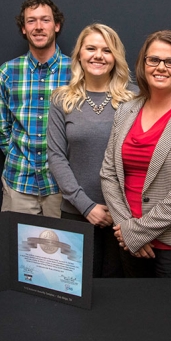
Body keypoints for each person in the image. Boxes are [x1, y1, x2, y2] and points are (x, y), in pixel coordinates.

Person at [100, 30, 171, 278]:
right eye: (153, 60)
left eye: (170, 61)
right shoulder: (125, 111)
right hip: (128, 240)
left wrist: (141, 231)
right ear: (143, 64)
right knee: (135, 314)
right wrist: (127, 229)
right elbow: (109, 174)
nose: (160, 67)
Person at [48, 23, 137, 277]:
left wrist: (120, 210)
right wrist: (86, 207)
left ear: (116, 57)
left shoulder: (135, 98)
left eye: (106, 50)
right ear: (79, 55)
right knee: (76, 289)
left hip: (125, 216)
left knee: (118, 293)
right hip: (76, 212)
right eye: (91, 48)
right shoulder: (61, 99)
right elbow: (56, 157)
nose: (98, 55)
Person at [0, 0, 70, 218]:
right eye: (31, 21)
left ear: (56, 26)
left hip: (61, 187)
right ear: (24, 29)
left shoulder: (77, 72)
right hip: (18, 184)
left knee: (64, 251)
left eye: (45, 20)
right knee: (16, 251)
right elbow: (3, 131)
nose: (38, 27)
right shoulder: (7, 72)